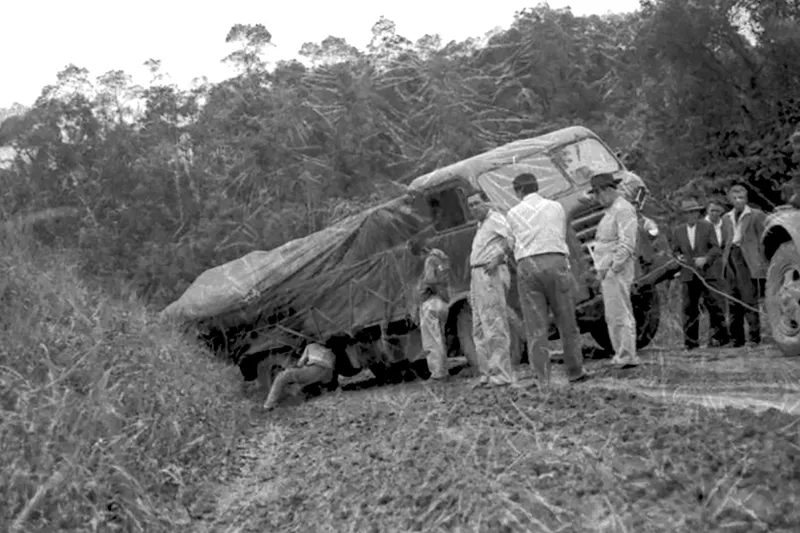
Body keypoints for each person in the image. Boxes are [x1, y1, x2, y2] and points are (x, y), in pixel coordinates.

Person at [506, 172, 590, 388]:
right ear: (537, 187)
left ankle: (543, 377)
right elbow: (560, 234)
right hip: (555, 259)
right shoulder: (556, 207)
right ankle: (575, 370)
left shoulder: (513, 213)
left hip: (527, 264)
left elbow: (510, 244)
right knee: (567, 320)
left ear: (518, 191)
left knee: (536, 325)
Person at [590, 172, 641, 368]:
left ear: (608, 190)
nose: (596, 198)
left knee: (620, 312)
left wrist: (614, 266)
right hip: (606, 268)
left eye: (598, 193)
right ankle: (621, 352)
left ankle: (627, 354)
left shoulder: (623, 209)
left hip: (615, 269)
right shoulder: (611, 211)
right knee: (613, 313)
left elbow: (627, 243)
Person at [466, 192, 515, 387]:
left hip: (489, 273)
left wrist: (498, 258)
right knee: (478, 327)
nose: (474, 207)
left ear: (487, 202)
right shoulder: (481, 226)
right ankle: (486, 373)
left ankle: (501, 374)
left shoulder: (496, 219)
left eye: (477, 203)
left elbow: (510, 237)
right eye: (470, 205)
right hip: (477, 274)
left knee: (494, 323)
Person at [671, 199, 724, 350]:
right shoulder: (678, 230)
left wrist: (705, 259)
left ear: (698, 213)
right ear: (684, 215)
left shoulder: (707, 227)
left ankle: (718, 339)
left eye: (694, 212)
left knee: (714, 306)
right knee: (689, 309)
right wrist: (678, 257)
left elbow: (716, 249)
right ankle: (690, 343)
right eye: (688, 213)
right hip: (688, 274)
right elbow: (675, 251)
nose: (691, 215)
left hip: (707, 273)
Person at [720, 184, 767, 347]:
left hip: (747, 259)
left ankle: (754, 337)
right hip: (730, 257)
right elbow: (725, 241)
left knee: (749, 298)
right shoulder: (726, 218)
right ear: (730, 200)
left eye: (741, 198)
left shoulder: (756, 215)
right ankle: (736, 339)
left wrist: (761, 262)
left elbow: (764, 239)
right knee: (733, 298)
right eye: (735, 198)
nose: (738, 201)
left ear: (746, 199)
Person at [410, 239, 451, 380]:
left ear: (422, 252)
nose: (420, 259)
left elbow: (430, 280)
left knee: (432, 341)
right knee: (440, 339)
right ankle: (443, 371)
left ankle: (438, 374)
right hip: (443, 302)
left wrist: (424, 293)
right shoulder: (441, 258)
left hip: (432, 302)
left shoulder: (429, 261)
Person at [263, 338, 340, 411]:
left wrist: (294, 367)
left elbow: (300, 363)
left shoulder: (310, 346)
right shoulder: (330, 352)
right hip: (327, 375)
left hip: (314, 370)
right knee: (300, 384)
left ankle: (269, 404)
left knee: (282, 376)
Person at [704, 198, 732, 346]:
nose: (715, 213)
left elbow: (727, 243)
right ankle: (716, 336)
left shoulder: (725, 225)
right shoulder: (702, 225)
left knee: (722, 301)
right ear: (707, 211)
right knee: (712, 302)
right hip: (706, 267)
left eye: (717, 211)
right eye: (712, 210)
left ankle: (722, 336)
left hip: (723, 265)